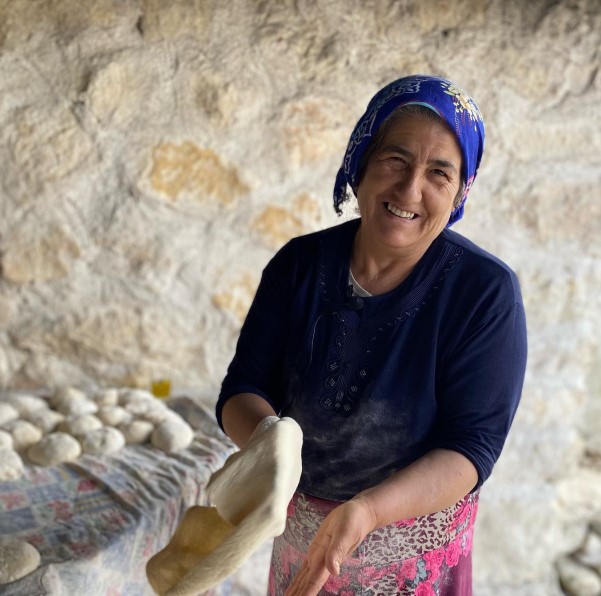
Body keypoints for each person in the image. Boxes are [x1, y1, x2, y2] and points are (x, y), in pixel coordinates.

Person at [216, 75, 527, 595]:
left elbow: (472, 447)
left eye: (438, 173)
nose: (410, 190)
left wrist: (368, 510)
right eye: (396, 160)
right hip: (303, 539)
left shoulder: (484, 292)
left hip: (411, 556)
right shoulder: (299, 265)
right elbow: (241, 390)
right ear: (361, 162)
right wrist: (272, 444)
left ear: (459, 192)